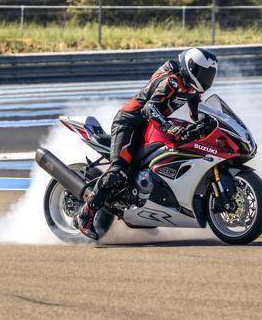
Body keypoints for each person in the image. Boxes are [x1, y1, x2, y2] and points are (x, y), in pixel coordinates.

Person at [73, 47, 219, 239]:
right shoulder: (171, 82)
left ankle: (143, 210)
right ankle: (85, 215)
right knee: (119, 170)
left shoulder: (191, 89)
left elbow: (196, 113)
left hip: (149, 127)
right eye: (204, 73)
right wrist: (169, 127)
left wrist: (209, 123)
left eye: (210, 75)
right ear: (191, 67)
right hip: (129, 122)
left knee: (153, 166)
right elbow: (149, 108)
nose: (207, 79)